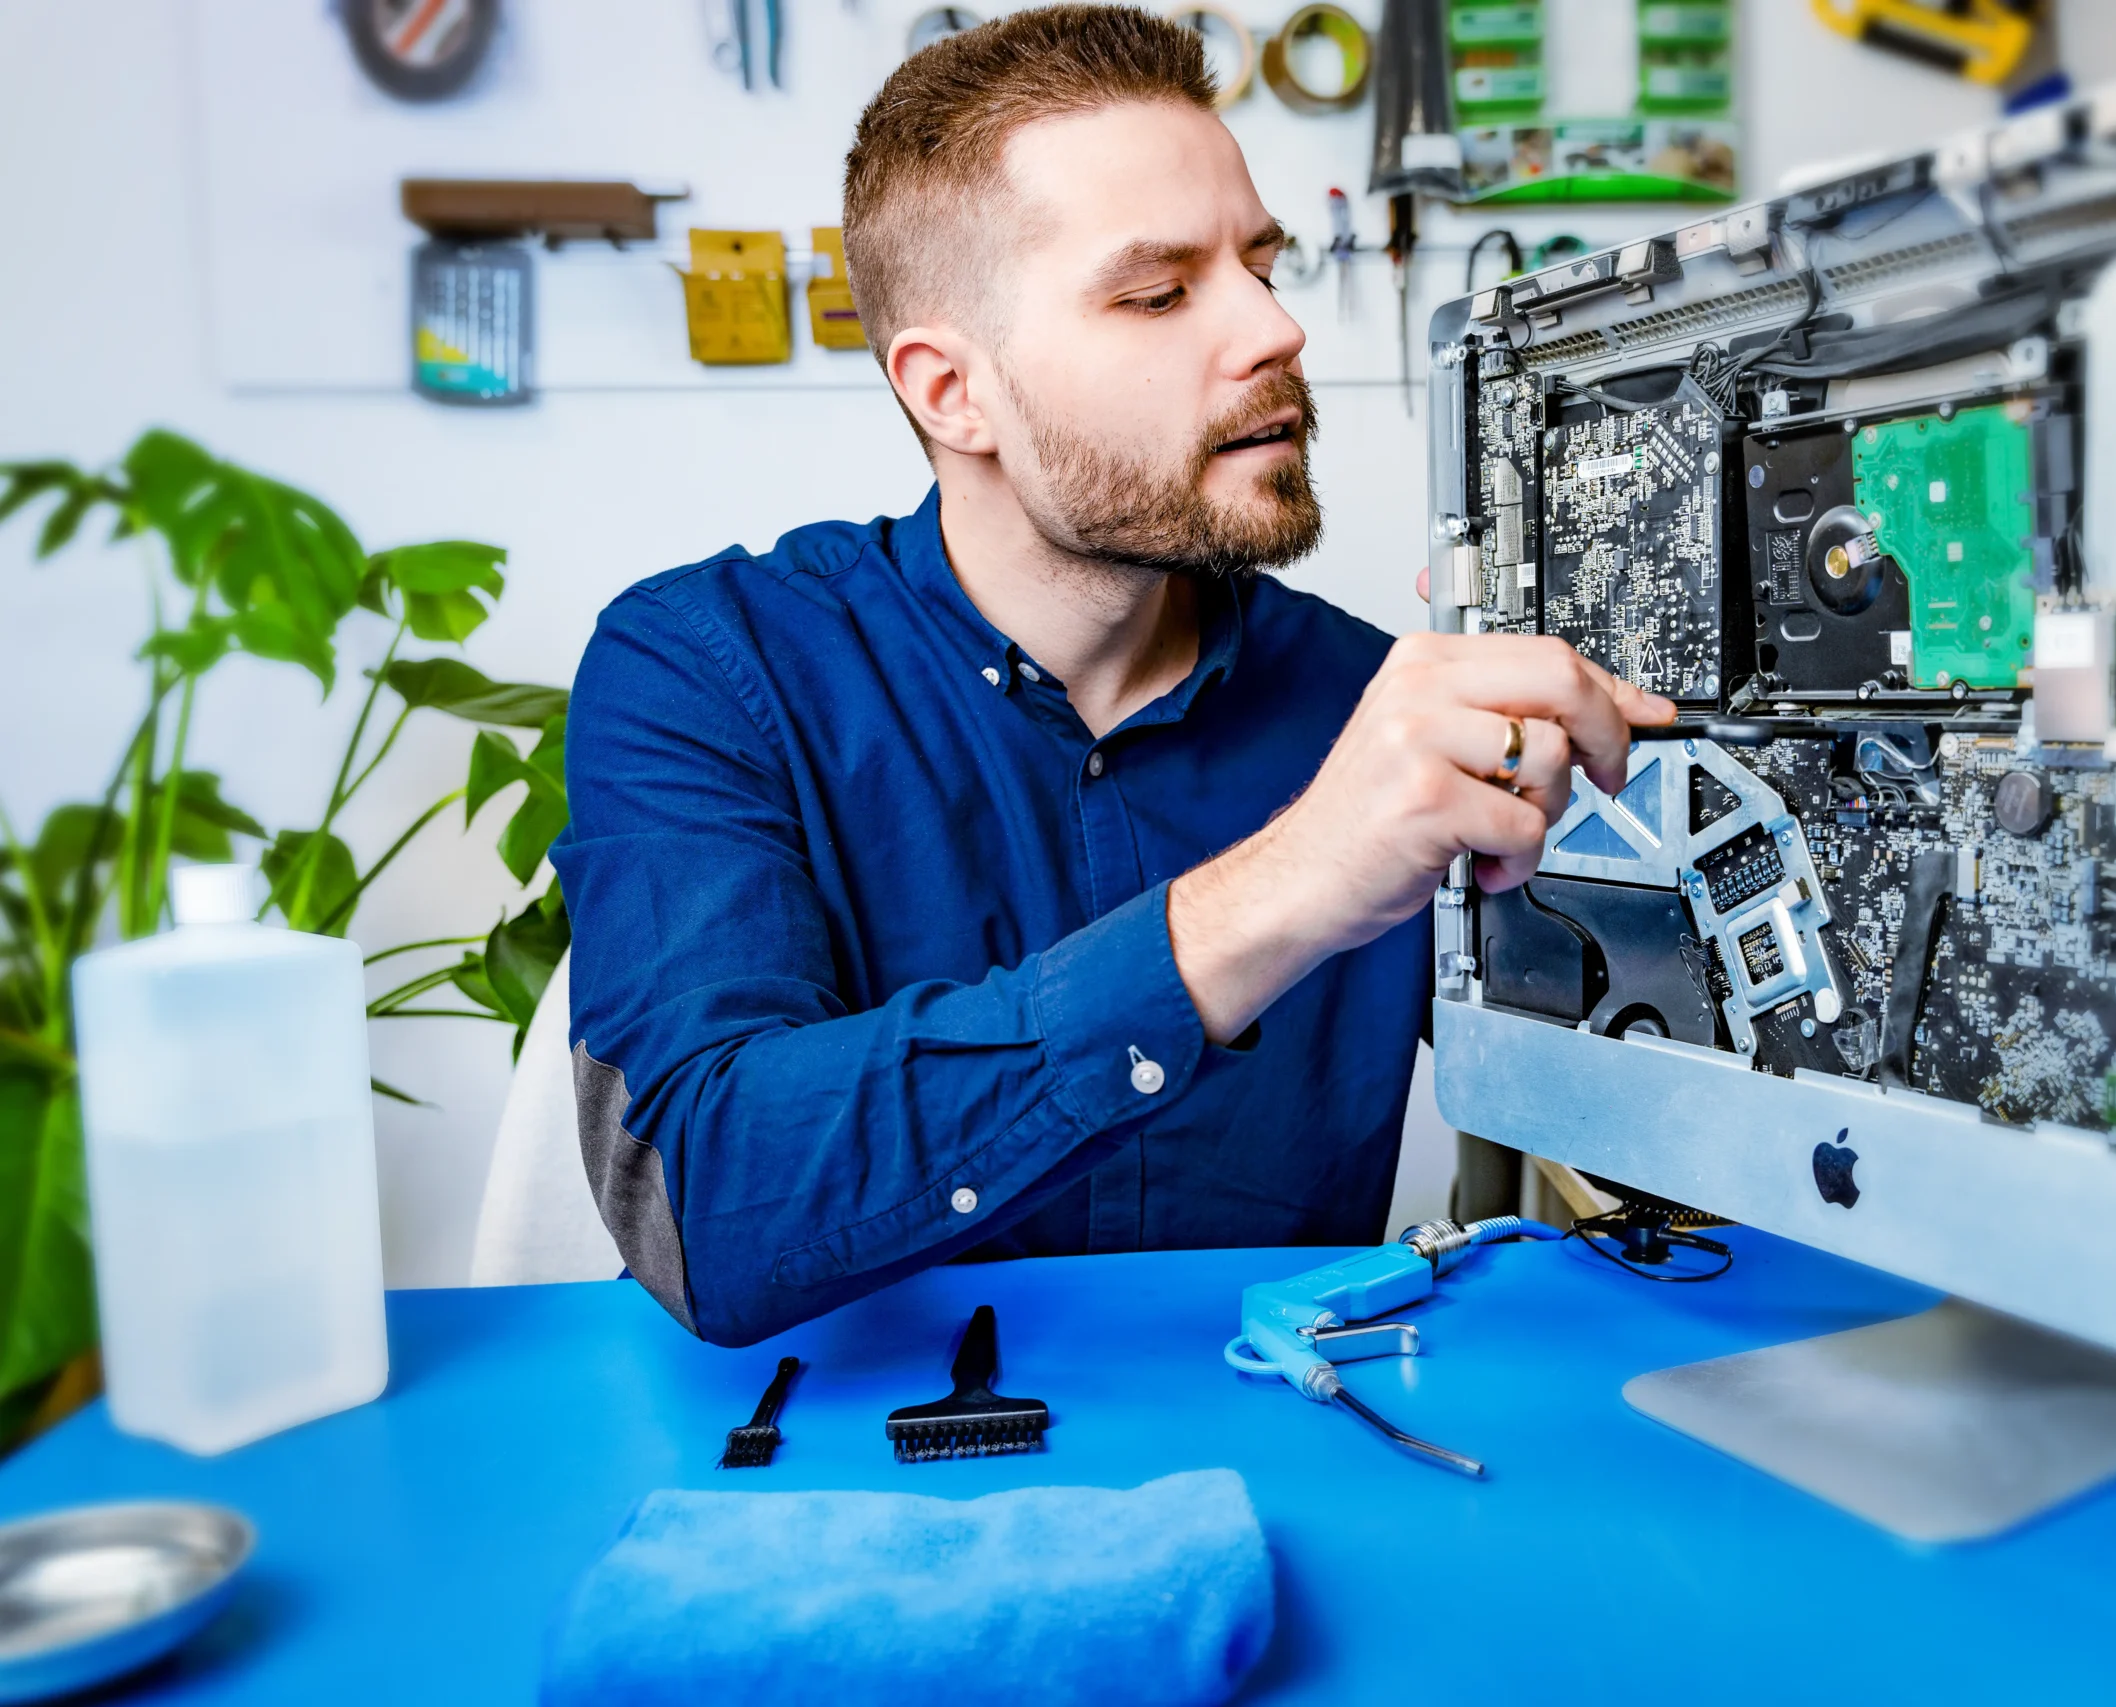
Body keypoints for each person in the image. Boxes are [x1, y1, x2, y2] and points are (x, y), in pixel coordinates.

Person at [553, 4, 1670, 1345]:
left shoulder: (1379, 717)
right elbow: (708, 1207)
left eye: (1262, 265)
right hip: (836, 1479)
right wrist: (1291, 883)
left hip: (1295, 1443)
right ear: (950, 390)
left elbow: (1646, 1142)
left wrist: (1672, 749)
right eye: (1157, 292)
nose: (1272, 329)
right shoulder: (707, 669)